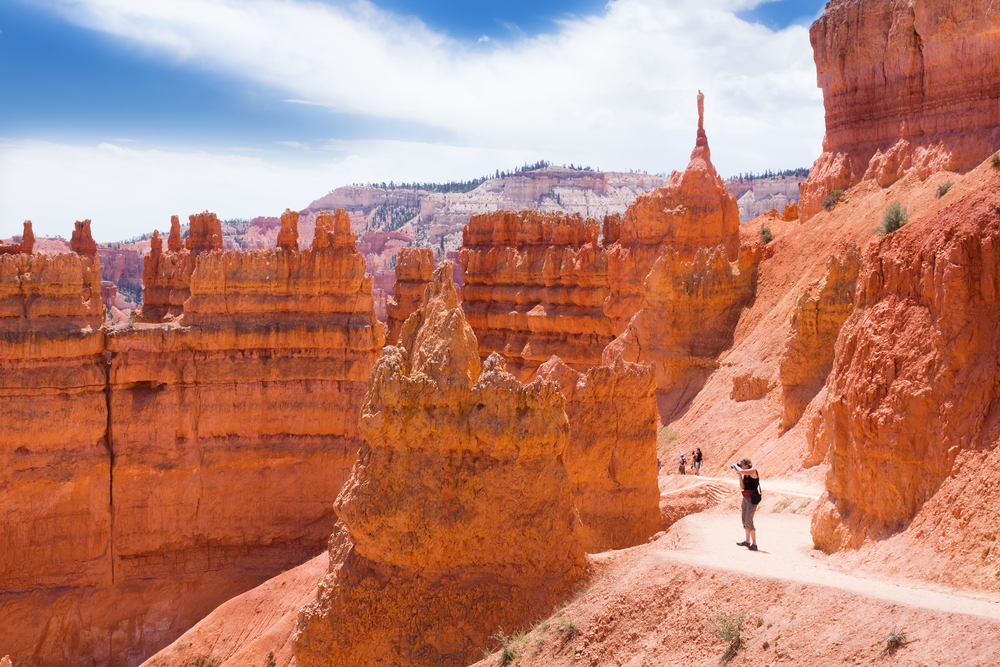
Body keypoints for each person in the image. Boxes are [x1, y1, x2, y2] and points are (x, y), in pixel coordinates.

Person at [732, 458, 761, 551]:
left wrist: (736, 467)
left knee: (749, 520)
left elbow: (741, 470)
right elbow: (742, 487)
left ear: (747, 465)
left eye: (742, 464)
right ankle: (747, 541)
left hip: (752, 499)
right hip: (745, 497)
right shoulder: (745, 475)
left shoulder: (753, 471)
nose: (740, 465)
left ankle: (754, 544)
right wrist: (739, 476)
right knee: (744, 519)